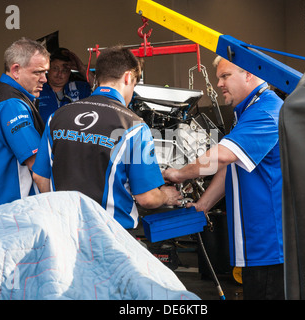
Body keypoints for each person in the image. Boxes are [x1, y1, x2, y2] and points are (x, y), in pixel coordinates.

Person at [163, 56, 285, 300]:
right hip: (256, 242)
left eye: (225, 76)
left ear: (249, 74)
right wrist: (203, 205)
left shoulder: (266, 110)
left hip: (269, 244)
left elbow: (222, 157)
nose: (218, 84)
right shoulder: (249, 110)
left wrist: (177, 173)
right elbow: (231, 166)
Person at [32, 46, 182, 230]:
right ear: (128, 77)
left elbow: (40, 176)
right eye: (134, 85)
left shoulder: (57, 117)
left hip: (64, 230)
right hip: (110, 233)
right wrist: (166, 196)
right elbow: (148, 198)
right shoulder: (134, 126)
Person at [0, 38, 49, 209]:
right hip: (13, 212)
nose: (44, 79)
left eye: (45, 72)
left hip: (8, 211)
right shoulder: (12, 104)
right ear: (16, 70)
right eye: (38, 72)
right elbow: (38, 168)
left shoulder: (4, 96)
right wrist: (59, 207)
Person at [38, 48, 93, 123]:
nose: (59, 74)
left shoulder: (81, 88)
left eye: (64, 70)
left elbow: (102, 88)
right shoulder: (37, 88)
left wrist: (82, 68)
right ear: (48, 68)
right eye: (55, 68)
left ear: (70, 72)